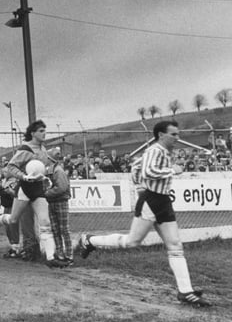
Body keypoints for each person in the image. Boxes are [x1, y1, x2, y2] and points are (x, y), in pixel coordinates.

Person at [78, 121, 211, 307]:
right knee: (132, 242)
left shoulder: (163, 152)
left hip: (163, 201)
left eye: (178, 134)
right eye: (173, 134)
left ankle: (185, 291)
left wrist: (137, 180)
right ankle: (90, 240)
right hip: (151, 201)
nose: (177, 138)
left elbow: (137, 166)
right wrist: (172, 170)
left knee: (175, 245)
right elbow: (148, 172)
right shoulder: (154, 151)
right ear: (160, 135)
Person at [0, 120, 67, 268]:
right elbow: (11, 167)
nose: (44, 133)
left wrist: (45, 178)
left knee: (45, 223)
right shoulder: (25, 149)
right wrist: (23, 177)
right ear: (33, 133)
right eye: (41, 131)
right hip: (25, 189)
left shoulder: (44, 150)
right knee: (13, 220)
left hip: (38, 190)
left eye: (45, 131)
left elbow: (42, 169)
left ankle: (51, 258)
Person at [45, 160, 73, 266]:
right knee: (55, 230)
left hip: (60, 201)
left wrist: (46, 193)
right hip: (53, 202)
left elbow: (61, 188)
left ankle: (69, 256)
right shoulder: (51, 171)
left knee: (64, 230)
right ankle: (60, 255)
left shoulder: (58, 171)